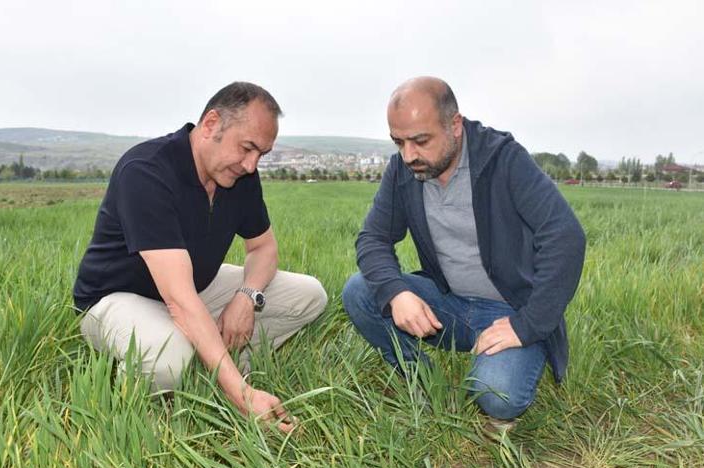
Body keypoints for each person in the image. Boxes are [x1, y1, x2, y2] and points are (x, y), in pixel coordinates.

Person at [74, 82, 327, 433]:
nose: (252, 165)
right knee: (168, 356)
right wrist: (242, 395)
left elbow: (263, 248)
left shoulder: (239, 176)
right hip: (117, 300)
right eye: (248, 148)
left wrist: (246, 296)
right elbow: (178, 300)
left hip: (193, 288)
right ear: (211, 125)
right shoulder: (146, 171)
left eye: (262, 154)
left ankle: (218, 369)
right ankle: (149, 395)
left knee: (309, 295)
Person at [342, 77, 585, 428]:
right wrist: (397, 294)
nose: (409, 155)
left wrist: (527, 325)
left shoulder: (503, 160)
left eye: (420, 141)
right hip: (449, 306)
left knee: (496, 394)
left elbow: (565, 236)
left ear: (454, 125)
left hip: (510, 311)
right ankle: (423, 381)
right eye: (399, 143)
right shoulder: (403, 170)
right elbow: (373, 238)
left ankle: (511, 358)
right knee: (360, 291)